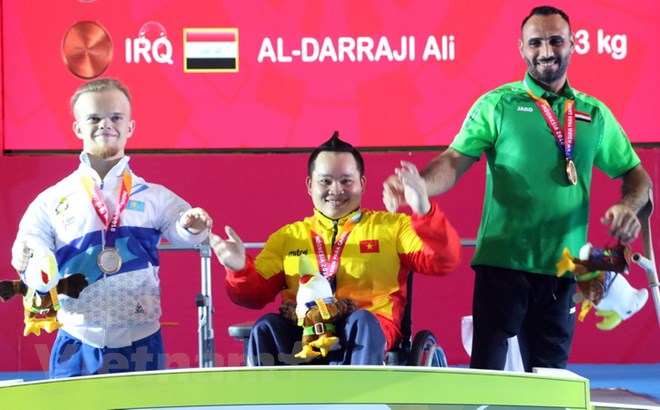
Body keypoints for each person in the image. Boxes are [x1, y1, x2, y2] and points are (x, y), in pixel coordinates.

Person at [383, 5, 652, 372]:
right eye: (535, 42)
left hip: (564, 268)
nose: (546, 51)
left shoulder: (594, 113)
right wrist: (423, 184)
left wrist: (628, 205)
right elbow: (454, 160)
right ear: (522, 48)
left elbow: (638, 176)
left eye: (556, 41)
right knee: (489, 377)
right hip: (502, 265)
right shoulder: (498, 105)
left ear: (573, 43)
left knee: (551, 382)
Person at [11, 78, 213, 378]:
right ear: (78, 128)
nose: (105, 124)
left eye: (116, 117)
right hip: (76, 341)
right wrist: (26, 252)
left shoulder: (154, 196)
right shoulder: (52, 200)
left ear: (130, 127)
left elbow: (185, 231)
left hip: (142, 342)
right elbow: (29, 244)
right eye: (94, 118)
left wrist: (192, 226)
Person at [211, 132, 462, 365]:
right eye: (326, 181)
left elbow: (443, 260)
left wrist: (424, 210)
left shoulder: (392, 228)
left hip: (367, 329)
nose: (336, 189)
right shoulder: (288, 238)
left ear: (362, 184)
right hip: (306, 331)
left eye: (346, 181)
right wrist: (239, 269)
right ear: (310, 185)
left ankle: (362, 396)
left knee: (363, 321)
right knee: (266, 326)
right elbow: (252, 296)